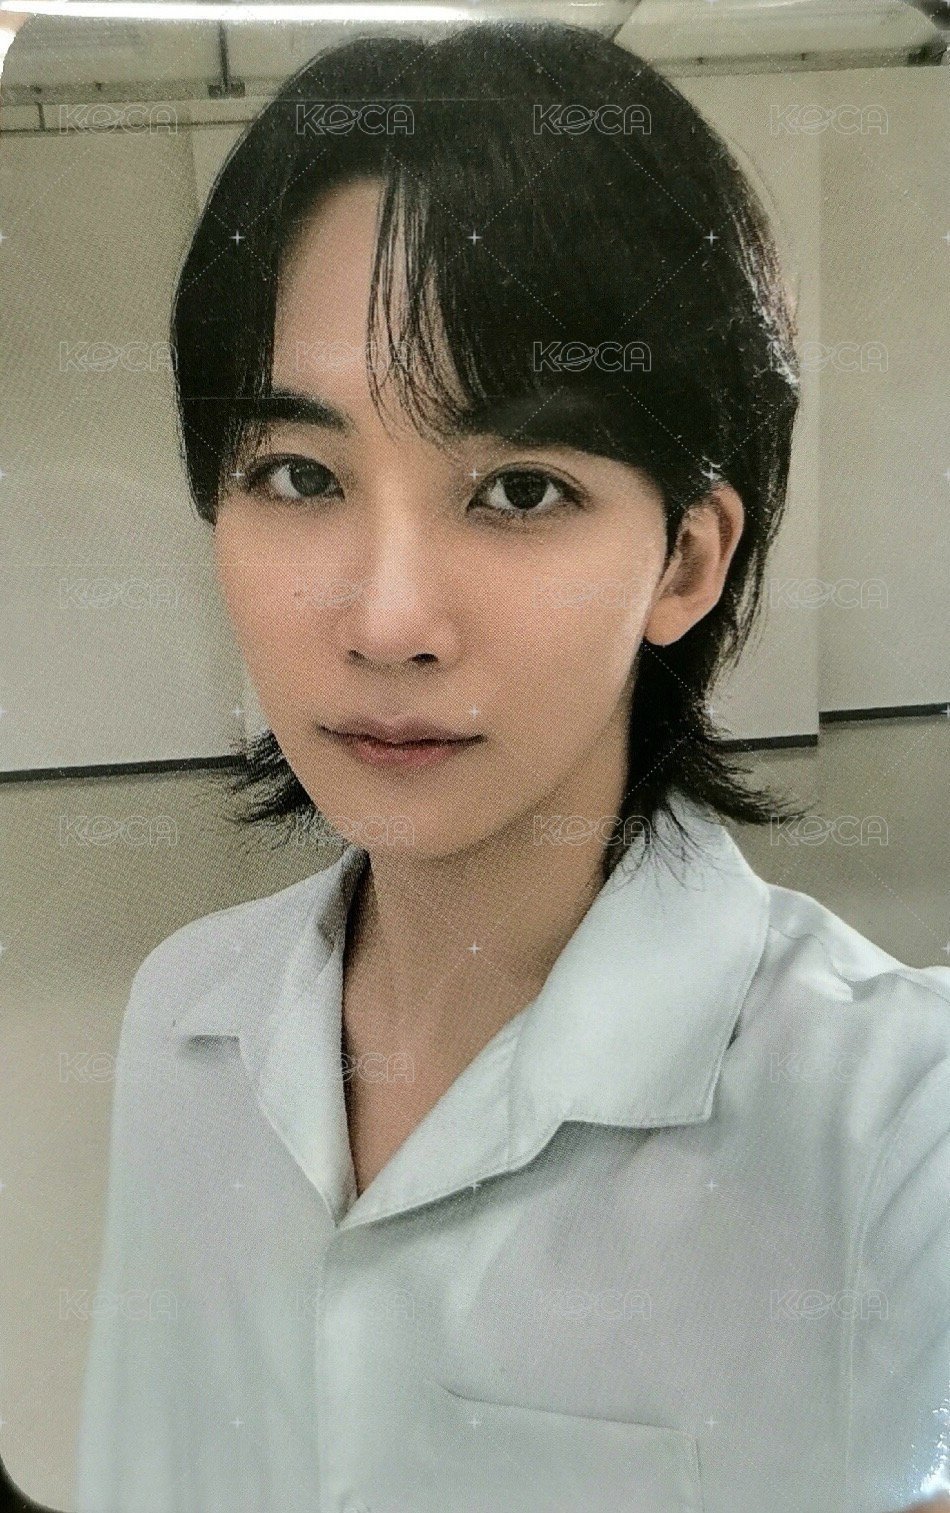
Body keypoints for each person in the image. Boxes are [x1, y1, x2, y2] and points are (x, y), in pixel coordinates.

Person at [72, 21, 950, 1513]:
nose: (387, 620)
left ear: (685, 561)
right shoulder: (183, 1025)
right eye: (299, 475)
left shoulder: (893, 1125)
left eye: (520, 490)